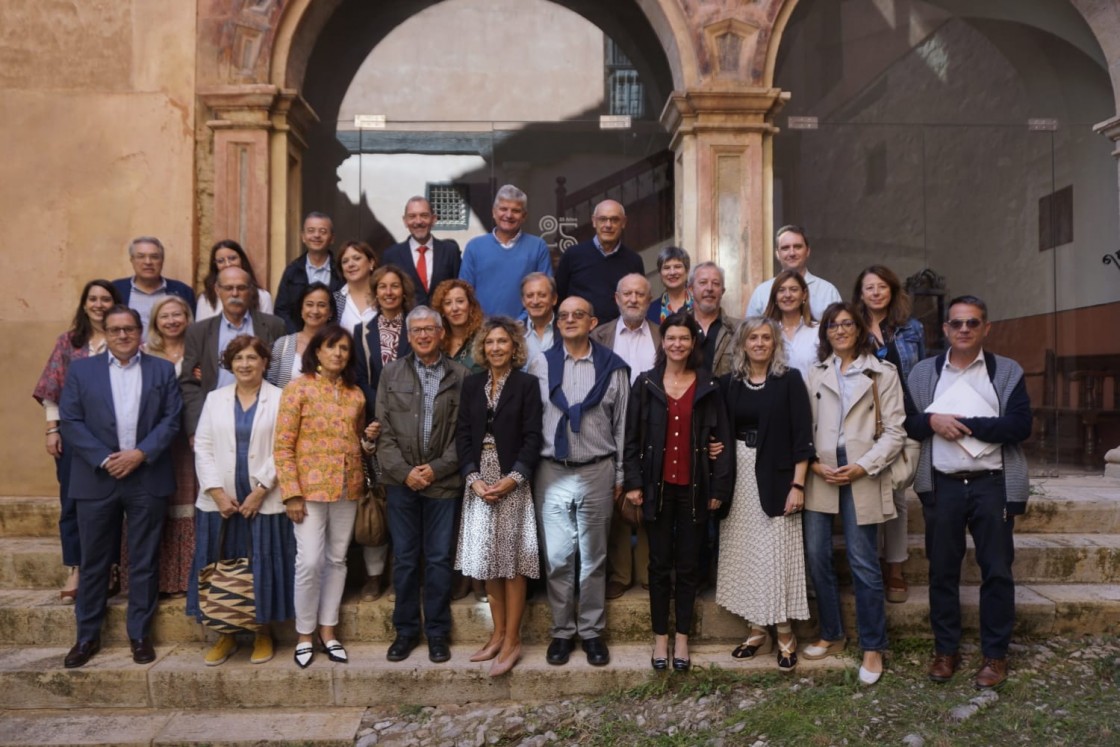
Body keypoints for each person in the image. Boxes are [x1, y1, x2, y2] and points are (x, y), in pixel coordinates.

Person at [905, 295, 1031, 690]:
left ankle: (995, 656)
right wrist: (931, 420)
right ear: (944, 329)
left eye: (972, 323)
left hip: (991, 485)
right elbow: (909, 423)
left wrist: (962, 424)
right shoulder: (924, 373)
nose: (964, 329)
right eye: (957, 323)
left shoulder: (1006, 371)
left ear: (986, 328)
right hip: (942, 485)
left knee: (996, 571)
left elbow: (1019, 427)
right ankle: (946, 651)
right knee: (942, 571)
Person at [58, 305, 182, 668]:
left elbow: (171, 420)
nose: (123, 335)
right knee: (94, 562)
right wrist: (106, 458)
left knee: (143, 561)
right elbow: (70, 420)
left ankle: (140, 635)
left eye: (129, 329)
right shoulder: (82, 371)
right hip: (98, 478)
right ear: (106, 333)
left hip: (146, 476)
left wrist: (141, 454)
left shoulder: (160, 370)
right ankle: (86, 636)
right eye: (115, 330)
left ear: (140, 332)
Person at [803, 302, 905, 686]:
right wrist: (812, 463)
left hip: (863, 469)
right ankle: (831, 632)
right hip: (821, 471)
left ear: (860, 329)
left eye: (848, 323)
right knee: (816, 555)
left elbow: (896, 431)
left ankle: (873, 646)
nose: (841, 330)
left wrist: (864, 465)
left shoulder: (883, 374)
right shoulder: (814, 374)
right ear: (825, 332)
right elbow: (802, 426)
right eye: (833, 325)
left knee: (863, 561)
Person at [623, 313, 732, 672]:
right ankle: (660, 639)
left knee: (687, 566)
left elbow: (722, 441)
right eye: (671, 338)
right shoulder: (646, 384)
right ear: (663, 342)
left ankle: (682, 638)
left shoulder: (707, 386)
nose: (677, 344)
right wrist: (635, 483)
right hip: (656, 489)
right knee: (658, 565)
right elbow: (632, 440)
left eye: (684, 338)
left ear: (693, 344)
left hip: (695, 488)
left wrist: (718, 486)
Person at [533, 296, 630, 667]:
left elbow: (621, 427)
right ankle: (562, 631)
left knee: (593, 558)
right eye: (564, 316)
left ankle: (590, 632)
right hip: (551, 469)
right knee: (557, 558)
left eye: (579, 314)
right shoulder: (540, 364)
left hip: (597, 469)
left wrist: (620, 475)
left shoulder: (613, 368)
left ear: (593, 323)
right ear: (558, 325)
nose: (570, 319)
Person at [188, 335, 296, 666]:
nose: (245, 364)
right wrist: (217, 493)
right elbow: (203, 446)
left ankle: (262, 632)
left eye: (252, 357)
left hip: (263, 502)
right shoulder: (215, 399)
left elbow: (283, 446)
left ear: (265, 362)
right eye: (238, 359)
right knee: (221, 566)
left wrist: (260, 490)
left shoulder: (281, 398)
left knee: (259, 565)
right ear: (229, 364)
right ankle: (226, 634)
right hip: (221, 506)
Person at [714, 317, 813, 671]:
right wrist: (716, 449)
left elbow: (803, 436)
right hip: (739, 477)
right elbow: (719, 429)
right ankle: (757, 631)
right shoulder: (729, 383)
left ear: (775, 344)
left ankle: (785, 632)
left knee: (776, 557)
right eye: (752, 337)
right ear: (742, 344)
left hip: (778, 477)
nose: (759, 343)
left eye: (766, 338)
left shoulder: (790, 381)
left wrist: (798, 484)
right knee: (745, 556)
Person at [274, 325, 373, 668]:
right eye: (332, 347)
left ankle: (328, 631)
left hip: (348, 487)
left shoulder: (356, 394)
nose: (338, 354)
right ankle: (304, 634)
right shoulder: (297, 390)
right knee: (310, 561)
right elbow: (283, 445)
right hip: (308, 492)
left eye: (344, 349)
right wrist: (291, 494)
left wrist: (369, 441)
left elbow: (357, 441)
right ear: (317, 351)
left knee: (336, 559)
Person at [377, 307, 469, 664]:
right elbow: (382, 430)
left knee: (438, 559)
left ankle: (437, 633)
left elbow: (465, 434)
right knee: (404, 560)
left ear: (441, 333)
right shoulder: (391, 373)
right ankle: (405, 631)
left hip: (442, 483)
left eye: (430, 329)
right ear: (408, 335)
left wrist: (434, 469)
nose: (424, 335)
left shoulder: (460, 375)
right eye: (416, 330)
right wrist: (405, 472)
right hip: (401, 484)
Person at [455, 316, 543, 676]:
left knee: (512, 563)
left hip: (512, 481)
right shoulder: (472, 384)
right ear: (482, 348)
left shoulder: (526, 385)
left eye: (502, 342)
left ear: (514, 347)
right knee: (488, 561)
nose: (495, 348)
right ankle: (497, 634)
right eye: (490, 342)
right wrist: (472, 479)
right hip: (479, 482)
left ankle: (513, 640)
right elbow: (462, 435)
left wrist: (514, 478)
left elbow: (533, 437)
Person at [33, 279, 122, 603]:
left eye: (105, 298)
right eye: (93, 298)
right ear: (85, 304)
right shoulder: (69, 342)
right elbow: (51, 389)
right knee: (72, 502)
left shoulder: (124, 340)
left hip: (113, 437)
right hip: (73, 435)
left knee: (113, 504)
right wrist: (52, 430)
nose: (99, 304)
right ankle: (77, 567)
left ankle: (111, 564)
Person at [853, 265, 926, 604]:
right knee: (867, 491)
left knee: (896, 492)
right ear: (861, 293)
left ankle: (895, 567)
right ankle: (867, 565)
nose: (876, 292)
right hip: (862, 421)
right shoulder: (850, 326)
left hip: (903, 418)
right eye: (870, 287)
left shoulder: (912, 328)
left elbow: (923, 371)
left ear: (893, 290)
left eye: (882, 286)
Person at [590, 272, 659, 599]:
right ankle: (619, 573)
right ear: (617, 299)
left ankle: (648, 569)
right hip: (607, 423)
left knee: (649, 495)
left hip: (652, 425)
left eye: (640, 295)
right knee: (614, 491)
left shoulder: (662, 335)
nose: (633, 299)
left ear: (649, 300)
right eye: (627, 294)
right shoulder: (600, 335)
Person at [354, 265, 416, 601]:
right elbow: (361, 377)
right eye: (382, 287)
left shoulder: (418, 324)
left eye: (395, 286)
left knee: (406, 502)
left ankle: (400, 573)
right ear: (375, 292)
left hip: (414, 424)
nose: (389, 292)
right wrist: (381, 409)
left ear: (403, 290)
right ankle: (374, 576)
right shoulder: (362, 331)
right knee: (377, 499)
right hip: (378, 425)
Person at [132, 296, 196, 595]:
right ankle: (154, 579)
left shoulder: (198, 351)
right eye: (165, 316)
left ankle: (183, 577)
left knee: (187, 502)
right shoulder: (144, 354)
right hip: (154, 440)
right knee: (155, 505)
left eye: (177, 314)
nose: (171, 320)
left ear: (187, 317)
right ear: (155, 321)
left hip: (189, 440)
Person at [179, 267, 287, 437]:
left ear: (250, 291)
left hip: (263, 419)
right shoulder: (198, 332)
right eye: (228, 288)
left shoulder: (274, 326)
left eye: (241, 288)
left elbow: (281, 373)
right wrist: (196, 428)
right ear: (217, 290)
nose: (235, 293)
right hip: (214, 418)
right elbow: (190, 383)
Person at [459, 184, 553, 318]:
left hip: (524, 331)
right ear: (494, 212)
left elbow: (545, 292)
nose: (508, 215)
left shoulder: (538, 247)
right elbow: (464, 293)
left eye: (515, 210)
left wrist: (521, 323)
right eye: (503, 209)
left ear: (524, 216)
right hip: (482, 331)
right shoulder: (474, 247)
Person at [555, 199, 644, 323]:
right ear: (594, 221)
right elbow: (558, 297)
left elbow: (640, 300)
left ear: (624, 223)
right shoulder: (573, 255)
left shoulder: (634, 261)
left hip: (618, 335)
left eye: (614, 220)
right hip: (581, 333)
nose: (608, 225)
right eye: (603, 219)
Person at [744, 225, 841, 320]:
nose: (792, 253)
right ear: (777, 254)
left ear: (807, 251)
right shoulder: (762, 292)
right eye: (785, 248)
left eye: (797, 247)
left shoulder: (828, 291)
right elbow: (749, 332)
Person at [383, 196, 462, 308]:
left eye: (424, 215)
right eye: (412, 216)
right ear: (405, 221)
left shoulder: (450, 251)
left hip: (443, 323)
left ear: (434, 219)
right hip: (407, 323)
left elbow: (458, 288)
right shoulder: (391, 255)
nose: (418, 221)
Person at [112, 236, 196, 338]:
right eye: (141, 256)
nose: (148, 262)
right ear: (132, 260)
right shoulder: (116, 289)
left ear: (162, 260)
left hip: (170, 352)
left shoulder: (182, 291)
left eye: (154, 257)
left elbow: (193, 329)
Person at [274, 212, 344, 332]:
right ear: (303, 236)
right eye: (311, 231)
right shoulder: (293, 270)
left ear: (332, 238)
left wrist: (331, 335)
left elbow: (344, 310)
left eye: (322, 231)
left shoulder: (341, 271)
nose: (316, 235)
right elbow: (281, 310)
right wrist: (299, 336)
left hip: (332, 339)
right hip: (298, 340)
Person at [266, 282, 337, 389]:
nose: (315, 310)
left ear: (330, 312)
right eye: (309, 304)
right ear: (301, 309)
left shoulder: (338, 346)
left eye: (321, 305)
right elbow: (270, 384)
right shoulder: (283, 344)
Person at [195, 239, 274, 320]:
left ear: (242, 260)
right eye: (220, 261)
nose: (228, 264)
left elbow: (268, 329)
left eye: (232, 258)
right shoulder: (206, 298)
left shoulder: (263, 297)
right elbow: (201, 330)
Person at [764, 269, 819, 381]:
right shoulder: (766, 332)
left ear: (804, 295)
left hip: (811, 397)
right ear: (775, 297)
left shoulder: (818, 331)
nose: (787, 295)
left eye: (793, 290)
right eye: (781, 290)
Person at [689, 261, 735, 377]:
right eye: (703, 282)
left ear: (722, 291)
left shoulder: (738, 330)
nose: (709, 288)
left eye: (716, 283)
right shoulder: (678, 327)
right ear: (691, 290)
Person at [432, 279, 485, 374]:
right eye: (448, 303)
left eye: (460, 301)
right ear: (442, 311)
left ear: (470, 306)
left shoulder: (484, 338)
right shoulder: (437, 341)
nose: (455, 308)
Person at [333, 241, 378, 331]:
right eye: (345, 261)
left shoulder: (384, 295)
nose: (351, 264)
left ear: (371, 263)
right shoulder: (334, 300)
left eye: (357, 258)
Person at [519, 272, 559, 365]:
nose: (535, 301)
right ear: (523, 301)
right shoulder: (515, 333)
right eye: (530, 296)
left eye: (542, 295)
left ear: (554, 299)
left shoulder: (566, 329)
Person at [646, 246, 692, 323]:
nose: (672, 272)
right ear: (660, 274)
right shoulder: (649, 310)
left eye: (677, 267)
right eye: (666, 268)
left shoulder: (699, 306)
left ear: (687, 271)